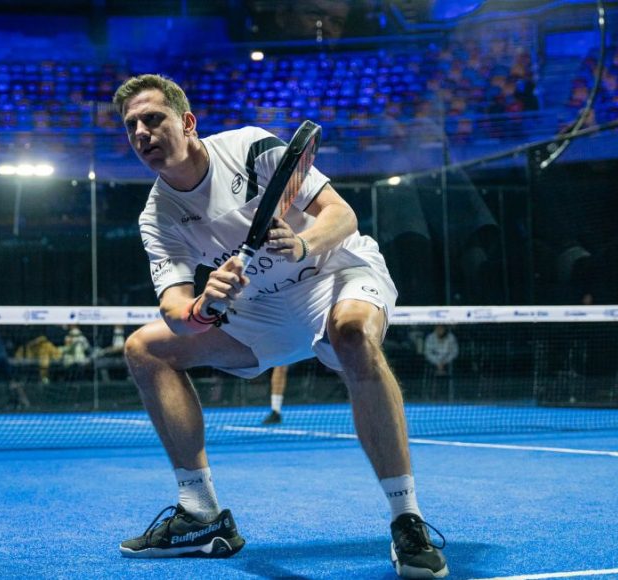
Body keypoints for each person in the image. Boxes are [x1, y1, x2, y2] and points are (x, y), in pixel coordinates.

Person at [112, 74, 448, 578]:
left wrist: (305, 243)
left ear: (186, 122)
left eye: (153, 118)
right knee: (147, 349)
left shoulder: (249, 149)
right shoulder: (157, 216)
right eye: (132, 125)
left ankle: (408, 520)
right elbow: (177, 314)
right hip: (261, 309)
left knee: (351, 335)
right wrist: (205, 305)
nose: (142, 132)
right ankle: (202, 515)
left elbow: (342, 214)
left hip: (333, 271)